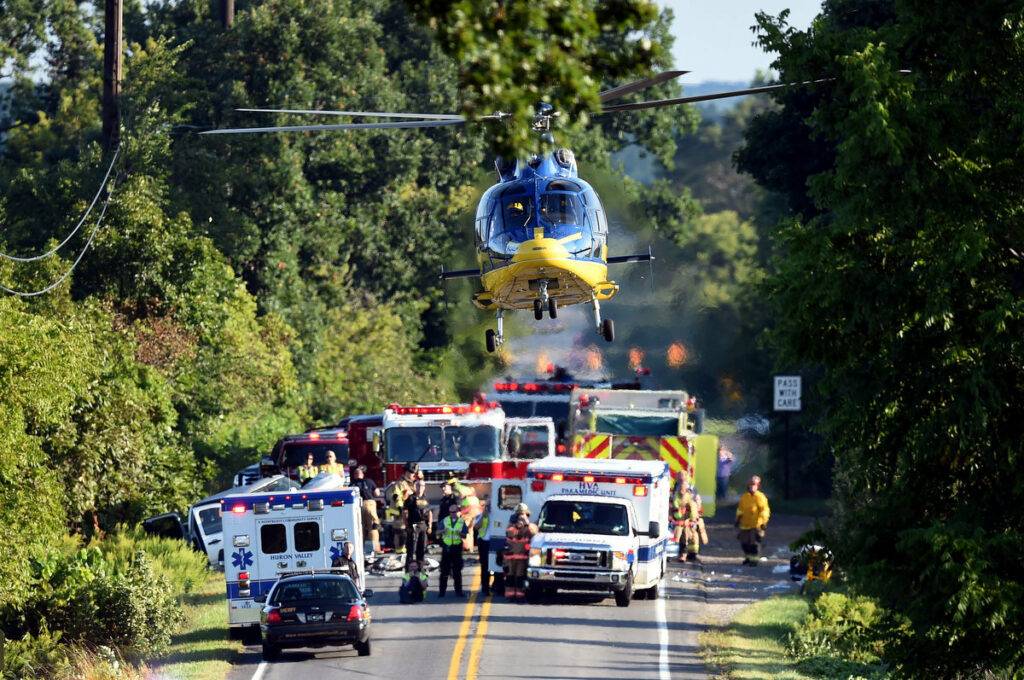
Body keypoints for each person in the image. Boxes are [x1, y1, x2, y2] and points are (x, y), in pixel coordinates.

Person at [735, 475, 771, 566]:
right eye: (750, 485)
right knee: (744, 543)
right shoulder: (744, 497)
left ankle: (754, 560)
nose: (752, 486)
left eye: (754, 484)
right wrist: (738, 519)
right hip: (745, 525)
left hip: (756, 525)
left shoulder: (760, 497)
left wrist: (763, 522)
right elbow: (740, 509)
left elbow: (765, 510)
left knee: (754, 544)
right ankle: (748, 558)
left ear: (758, 486)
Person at [438, 504, 469, 597]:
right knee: (444, 571)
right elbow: (437, 532)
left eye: (454, 512)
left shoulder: (461, 522)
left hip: (456, 547)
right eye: (451, 512)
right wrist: (442, 531)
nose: (452, 514)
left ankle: (458, 591)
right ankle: (442, 591)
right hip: (446, 547)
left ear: (458, 512)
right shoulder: (445, 520)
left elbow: (465, 535)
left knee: (457, 571)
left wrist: (460, 534)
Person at [403, 480, 432, 570]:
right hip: (414, 525)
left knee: (422, 548)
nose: (421, 487)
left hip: (423, 525)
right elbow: (404, 512)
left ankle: (420, 569)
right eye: (419, 485)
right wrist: (407, 525)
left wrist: (430, 525)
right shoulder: (411, 498)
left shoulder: (426, 498)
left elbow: (430, 512)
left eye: (423, 486)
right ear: (415, 486)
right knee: (412, 549)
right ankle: (409, 571)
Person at [503, 515, 534, 600]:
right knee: (511, 577)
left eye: (522, 521)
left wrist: (526, 525)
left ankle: (518, 595)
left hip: (518, 559)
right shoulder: (513, 530)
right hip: (513, 559)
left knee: (518, 577)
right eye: (519, 521)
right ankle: (511, 595)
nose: (520, 522)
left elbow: (529, 541)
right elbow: (510, 533)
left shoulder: (527, 531)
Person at [475, 501, 493, 596]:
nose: (489, 507)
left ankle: (496, 586)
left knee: (495, 564)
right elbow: (476, 526)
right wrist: (484, 516)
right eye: (487, 506)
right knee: (485, 565)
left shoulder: (497, 515)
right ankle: (485, 587)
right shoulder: (480, 515)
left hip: (494, 541)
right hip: (483, 542)